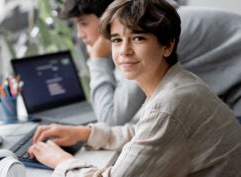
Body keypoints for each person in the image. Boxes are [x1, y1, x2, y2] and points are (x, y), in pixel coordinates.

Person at [28, 0, 241, 176]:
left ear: (168, 46)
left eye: (138, 38)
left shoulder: (169, 104)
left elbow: (157, 122)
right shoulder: (177, 83)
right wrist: (87, 133)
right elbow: (148, 132)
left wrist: (62, 161)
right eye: (117, 40)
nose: (124, 51)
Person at [60, 0, 241, 126]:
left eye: (83, 23)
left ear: (109, 15)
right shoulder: (153, 23)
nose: (80, 34)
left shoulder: (153, 35)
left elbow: (112, 116)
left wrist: (98, 59)